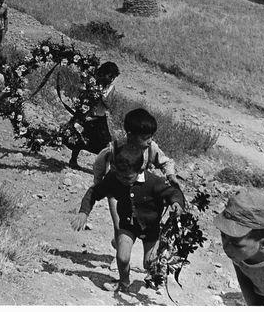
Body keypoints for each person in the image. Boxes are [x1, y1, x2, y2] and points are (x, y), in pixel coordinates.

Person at [72, 142, 185, 293]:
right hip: (127, 224)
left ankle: (155, 274)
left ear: (140, 170)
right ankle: (123, 281)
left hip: (150, 228)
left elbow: (173, 193)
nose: (122, 179)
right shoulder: (114, 179)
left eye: (127, 177)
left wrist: (177, 203)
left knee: (149, 263)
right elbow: (94, 193)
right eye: (119, 174)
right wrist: (84, 212)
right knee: (122, 257)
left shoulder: (153, 182)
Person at [93, 108, 180, 251]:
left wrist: (170, 175)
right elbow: (99, 164)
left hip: (138, 192)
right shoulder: (115, 148)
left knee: (139, 224)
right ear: (130, 135)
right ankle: (120, 257)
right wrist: (98, 185)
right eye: (146, 137)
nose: (150, 141)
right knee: (119, 224)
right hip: (116, 192)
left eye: (151, 136)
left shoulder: (150, 148)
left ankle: (120, 243)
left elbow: (165, 162)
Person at [67, 61, 120, 170]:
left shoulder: (110, 88)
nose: (111, 79)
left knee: (105, 144)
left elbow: (108, 103)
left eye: (113, 77)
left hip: (99, 118)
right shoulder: (93, 82)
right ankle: (73, 160)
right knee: (78, 137)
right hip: (87, 116)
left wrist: (101, 94)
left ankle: (106, 168)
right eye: (110, 76)